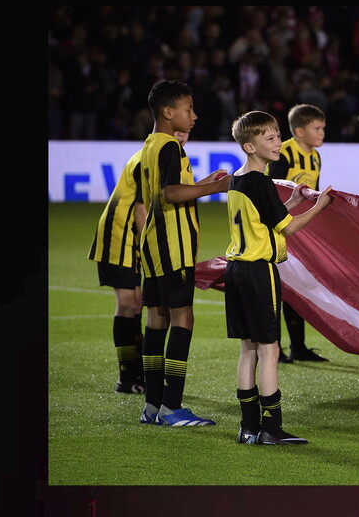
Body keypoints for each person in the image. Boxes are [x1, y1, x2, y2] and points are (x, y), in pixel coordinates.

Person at [226, 110, 334, 444]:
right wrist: (319, 206)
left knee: (248, 351)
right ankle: (272, 429)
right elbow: (289, 227)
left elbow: (262, 216)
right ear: (249, 146)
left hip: (236, 271)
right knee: (269, 351)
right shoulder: (260, 182)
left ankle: (248, 427)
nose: (277, 143)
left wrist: (291, 200)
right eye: (269, 138)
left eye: (277, 136)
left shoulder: (237, 179)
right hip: (260, 272)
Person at [137, 79, 230, 427]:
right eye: (188, 109)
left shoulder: (150, 145)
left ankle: (151, 406)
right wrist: (218, 187)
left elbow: (165, 191)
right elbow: (172, 194)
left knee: (157, 319)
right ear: (168, 111)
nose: (194, 116)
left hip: (153, 246)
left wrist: (204, 183)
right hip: (173, 247)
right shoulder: (171, 148)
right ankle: (172, 407)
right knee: (183, 318)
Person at [87, 130, 186, 394]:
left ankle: (138, 372)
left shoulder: (155, 153)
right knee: (129, 303)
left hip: (130, 233)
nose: (183, 137)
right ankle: (127, 376)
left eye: (186, 133)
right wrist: (150, 245)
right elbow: (142, 207)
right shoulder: (152, 156)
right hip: (120, 232)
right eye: (178, 132)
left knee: (138, 302)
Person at [265, 104, 331, 362]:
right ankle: (275, 348)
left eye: (323, 127)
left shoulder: (315, 156)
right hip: (283, 229)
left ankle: (298, 347)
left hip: (302, 230)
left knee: (298, 286)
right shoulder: (284, 153)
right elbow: (275, 190)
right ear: (300, 131)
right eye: (317, 128)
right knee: (279, 288)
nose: (322, 132)